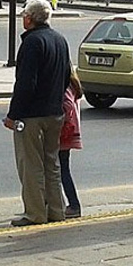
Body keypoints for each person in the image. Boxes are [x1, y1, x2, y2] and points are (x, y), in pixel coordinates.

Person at [4, 0, 72, 226]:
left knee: (31, 164)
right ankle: (56, 209)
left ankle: (35, 213)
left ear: (30, 19)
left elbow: (25, 83)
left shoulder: (32, 42)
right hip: (55, 112)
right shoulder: (60, 39)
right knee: (51, 162)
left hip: (32, 114)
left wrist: (13, 115)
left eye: (25, 15)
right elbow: (66, 77)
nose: (23, 18)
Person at [59, 68, 83, 219]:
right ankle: (72, 204)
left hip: (64, 132)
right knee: (63, 168)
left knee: (60, 169)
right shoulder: (74, 83)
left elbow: (67, 105)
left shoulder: (64, 85)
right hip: (70, 132)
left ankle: (73, 205)